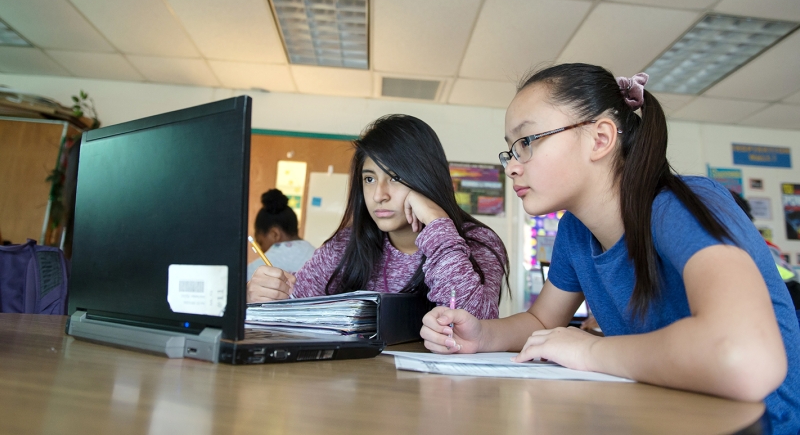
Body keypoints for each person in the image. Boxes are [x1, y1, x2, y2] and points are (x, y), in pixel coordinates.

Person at [420, 63, 800, 435]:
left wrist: (589, 351)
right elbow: (541, 321)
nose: (512, 167)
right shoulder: (574, 230)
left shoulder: (681, 203)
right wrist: (481, 335)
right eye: (510, 151)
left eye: (526, 142)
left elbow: (745, 358)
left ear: (600, 138)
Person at [247, 114, 509, 319]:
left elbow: (475, 323)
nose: (379, 195)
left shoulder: (477, 242)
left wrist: (437, 224)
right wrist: (268, 296)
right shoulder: (346, 244)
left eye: (395, 177)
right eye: (370, 179)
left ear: (426, 178)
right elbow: (297, 305)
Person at [247, 189, 315, 278]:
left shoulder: (258, 269)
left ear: (275, 234)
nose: (261, 249)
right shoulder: (315, 254)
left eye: (261, 243)